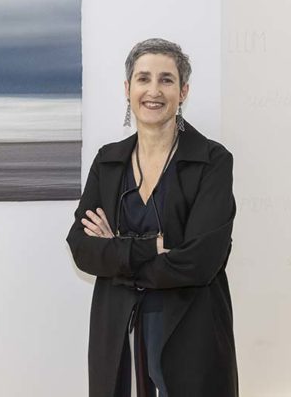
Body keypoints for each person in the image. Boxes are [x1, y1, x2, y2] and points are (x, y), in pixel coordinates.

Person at [66, 38, 239, 397]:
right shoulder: (108, 162)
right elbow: (82, 249)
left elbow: (201, 261)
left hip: (191, 329)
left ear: (183, 91)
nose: (154, 90)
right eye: (143, 78)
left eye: (166, 79)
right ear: (127, 89)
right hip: (117, 329)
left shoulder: (212, 161)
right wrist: (154, 247)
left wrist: (117, 253)